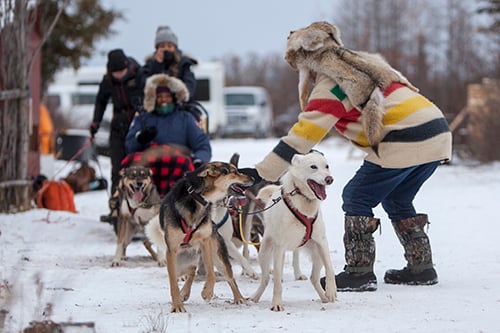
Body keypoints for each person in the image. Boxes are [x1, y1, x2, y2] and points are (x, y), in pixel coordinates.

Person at [239, 22, 452, 292]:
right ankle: (421, 268)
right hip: (437, 133)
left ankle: (359, 272)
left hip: (404, 138)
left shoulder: (334, 82)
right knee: (398, 198)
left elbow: (305, 134)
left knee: (356, 195)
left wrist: (262, 172)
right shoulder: (363, 62)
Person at [123, 73, 211, 196]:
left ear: (174, 97)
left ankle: (177, 200)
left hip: (177, 159)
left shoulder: (185, 118)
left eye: (167, 96)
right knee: (132, 161)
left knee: (183, 162)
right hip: (149, 159)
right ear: (153, 98)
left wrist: (199, 160)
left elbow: (202, 144)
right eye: (159, 96)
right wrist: (141, 138)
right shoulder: (143, 118)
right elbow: (129, 146)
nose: (163, 100)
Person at [89, 48, 146, 223]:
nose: (119, 76)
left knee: (140, 166)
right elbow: (101, 100)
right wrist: (96, 123)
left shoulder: (139, 75)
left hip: (138, 126)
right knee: (117, 168)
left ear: (127, 66)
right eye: (116, 73)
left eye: (121, 72)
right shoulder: (108, 80)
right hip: (118, 126)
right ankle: (115, 207)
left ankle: (144, 206)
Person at [143, 26, 197, 98]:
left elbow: (190, 86)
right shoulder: (149, 65)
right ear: (157, 49)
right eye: (162, 46)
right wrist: (157, 65)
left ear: (175, 48)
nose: (166, 49)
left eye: (169, 46)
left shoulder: (184, 64)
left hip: (179, 104)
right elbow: (144, 85)